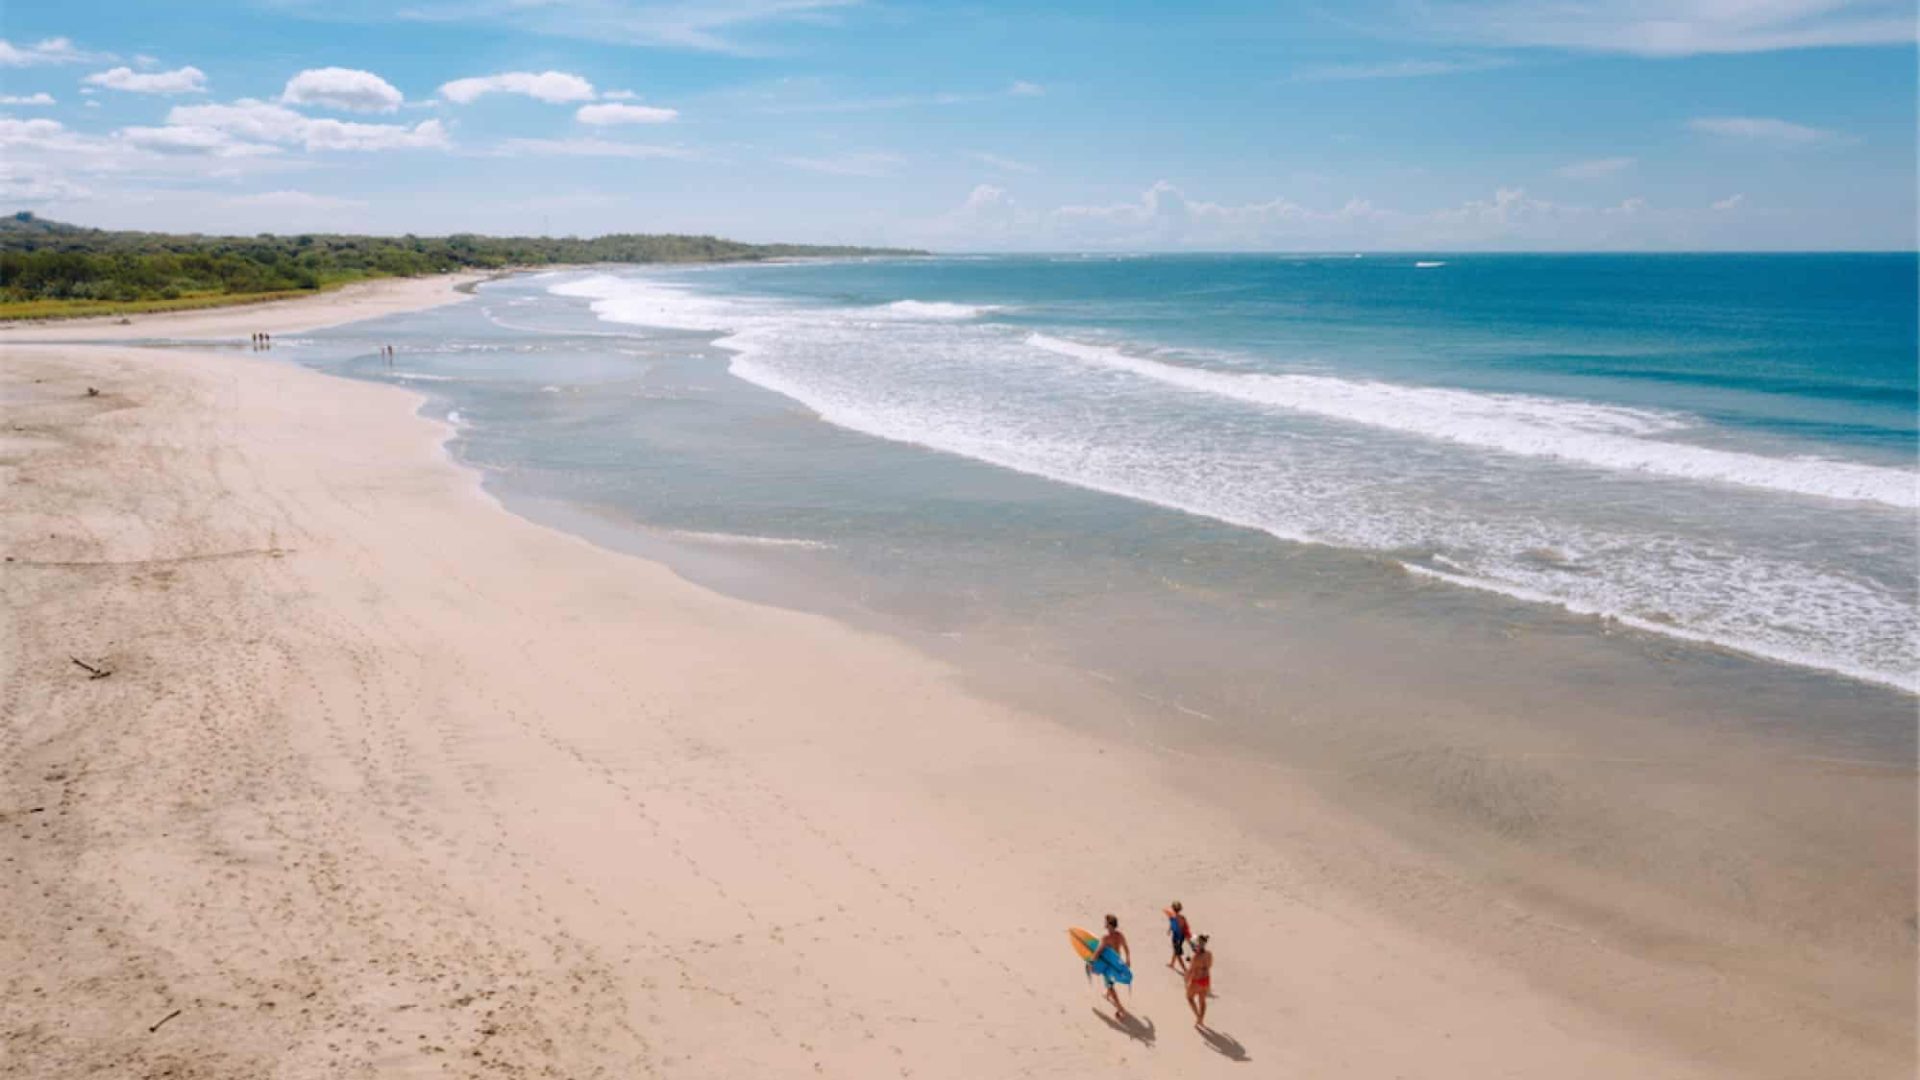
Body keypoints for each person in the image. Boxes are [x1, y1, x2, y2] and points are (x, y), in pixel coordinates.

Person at [1096, 914, 1131, 1015]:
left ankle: (1120, 1008)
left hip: (1109, 965)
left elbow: (1098, 952)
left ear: (1110, 925)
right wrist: (1128, 959)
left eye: (1106, 923)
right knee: (1110, 982)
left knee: (1110, 986)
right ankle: (1108, 993)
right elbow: (1126, 947)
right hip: (1118, 962)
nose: (1105, 924)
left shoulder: (1106, 938)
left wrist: (1092, 963)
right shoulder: (1120, 935)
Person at [1185, 934, 1213, 1027]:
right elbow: (1209, 966)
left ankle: (1198, 1017)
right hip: (1206, 980)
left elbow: (1190, 971)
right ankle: (1201, 1020)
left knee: (1189, 998)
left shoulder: (1195, 958)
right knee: (1202, 1001)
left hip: (1197, 981)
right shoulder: (1209, 954)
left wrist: (1186, 982)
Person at [1166, 901, 1192, 971]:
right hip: (1179, 937)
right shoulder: (1180, 917)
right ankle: (1172, 964)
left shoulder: (1175, 917)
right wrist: (1170, 930)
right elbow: (1174, 925)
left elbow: (1177, 927)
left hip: (1177, 937)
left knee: (1178, 954)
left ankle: (1185, 970)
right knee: (1175, 950)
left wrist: (1170, 930)